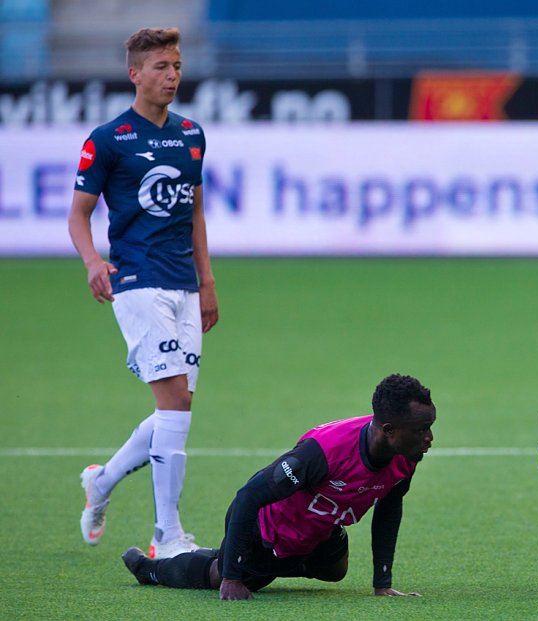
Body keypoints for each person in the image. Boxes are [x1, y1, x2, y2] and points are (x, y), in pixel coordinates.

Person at [67, 27, 217, 559]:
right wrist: (91, 262)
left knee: (177, 408)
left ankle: (102, 481)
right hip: (135, 281)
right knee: (175, 402)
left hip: (183, 286)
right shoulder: (108, 140)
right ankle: (167, 536)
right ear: (135, 74)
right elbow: (80, 215)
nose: (172, 75)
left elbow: (194, 212)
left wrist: (207, 281)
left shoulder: (192, 135)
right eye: (161, 67)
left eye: (176, 66)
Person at [120, 374, 436, 600]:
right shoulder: (321, 452)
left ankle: (253, 561)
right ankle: (150, 570)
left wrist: (383, 583)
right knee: (220, 574)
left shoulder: (405, 453)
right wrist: (231, 577)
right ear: (389, 430)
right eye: (422, 429)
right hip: (267, 533)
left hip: (318, 532)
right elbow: (247, 497)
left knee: (335, 571)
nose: (429, 438)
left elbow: (390, 507)